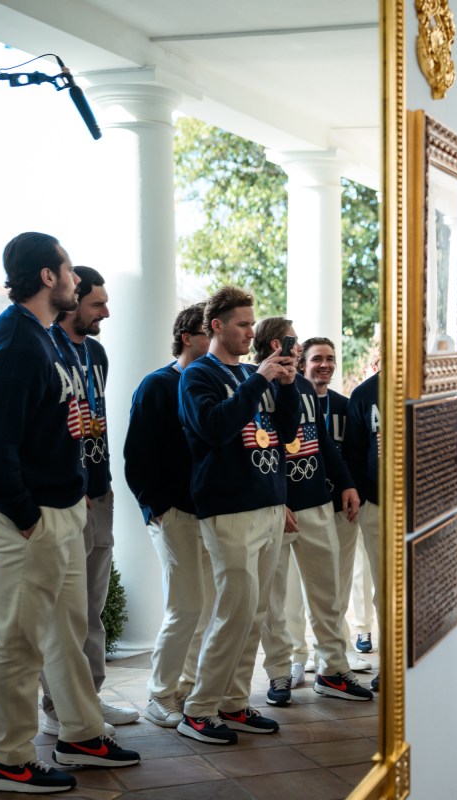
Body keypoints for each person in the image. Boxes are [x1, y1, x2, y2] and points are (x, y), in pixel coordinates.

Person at [0, 232, 139, 793]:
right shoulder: (16, 340)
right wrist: (26, 514)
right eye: (68, 270)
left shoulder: (42, 338)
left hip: (60, 509)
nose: (74, 278)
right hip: (30, 519)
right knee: (18, 641)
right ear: (48, 276)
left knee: (66, 631)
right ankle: (6, 760)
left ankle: (81, 733)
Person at [175, 286, 298, 745]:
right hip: (227, 509)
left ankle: (234, 701)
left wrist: (284, 387)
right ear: (216, 327)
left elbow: (285, 433)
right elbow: (216, 427)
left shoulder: (253, 375)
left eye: (252, 323)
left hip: (267, 502)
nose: (251, 332)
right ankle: (199, 709)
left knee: (257, 610)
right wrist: (259, 380)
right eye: (243, 325)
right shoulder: (197, 376)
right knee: (234, 610)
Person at [38, 265, 139, 734]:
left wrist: (103, 484)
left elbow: (93, 418)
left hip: (100, 494)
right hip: (64, 500)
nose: (107, 312)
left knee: (93, 606)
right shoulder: (45, 347)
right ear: (73, 300)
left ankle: (89, 698)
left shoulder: (95, 353)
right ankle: (59, 708)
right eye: (97, 303)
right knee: (67, 612)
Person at [253, 322, 370, 707]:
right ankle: (279, 673)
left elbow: (322, 444)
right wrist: (277, 498)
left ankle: (333, 670)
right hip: (277, 509)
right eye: (291, 337)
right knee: (276, 600)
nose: (297, 343)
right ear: (275, 342)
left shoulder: (303, 388)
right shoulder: (253, 385)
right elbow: (257, 449)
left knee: (328, 596)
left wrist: (347, 482)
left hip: (318, 503)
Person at [123, 303, 216, 728]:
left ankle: (189, 687)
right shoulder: (156, 386)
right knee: (186, 605)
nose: (214, 341)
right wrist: (155, 507)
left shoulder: (215, 382)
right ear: (186, 337)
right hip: (172, 513)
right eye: (206, 333)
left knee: (208, 604)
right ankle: (160, 694)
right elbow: (135, 456)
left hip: (212, 514)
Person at [345, 368, 382, 691]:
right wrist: (362, 498)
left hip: (427, 508)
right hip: (378, 505)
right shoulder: (364, 394)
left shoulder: (435, 385)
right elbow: (354, 454)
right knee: (384, 590)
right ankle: (393, 664)